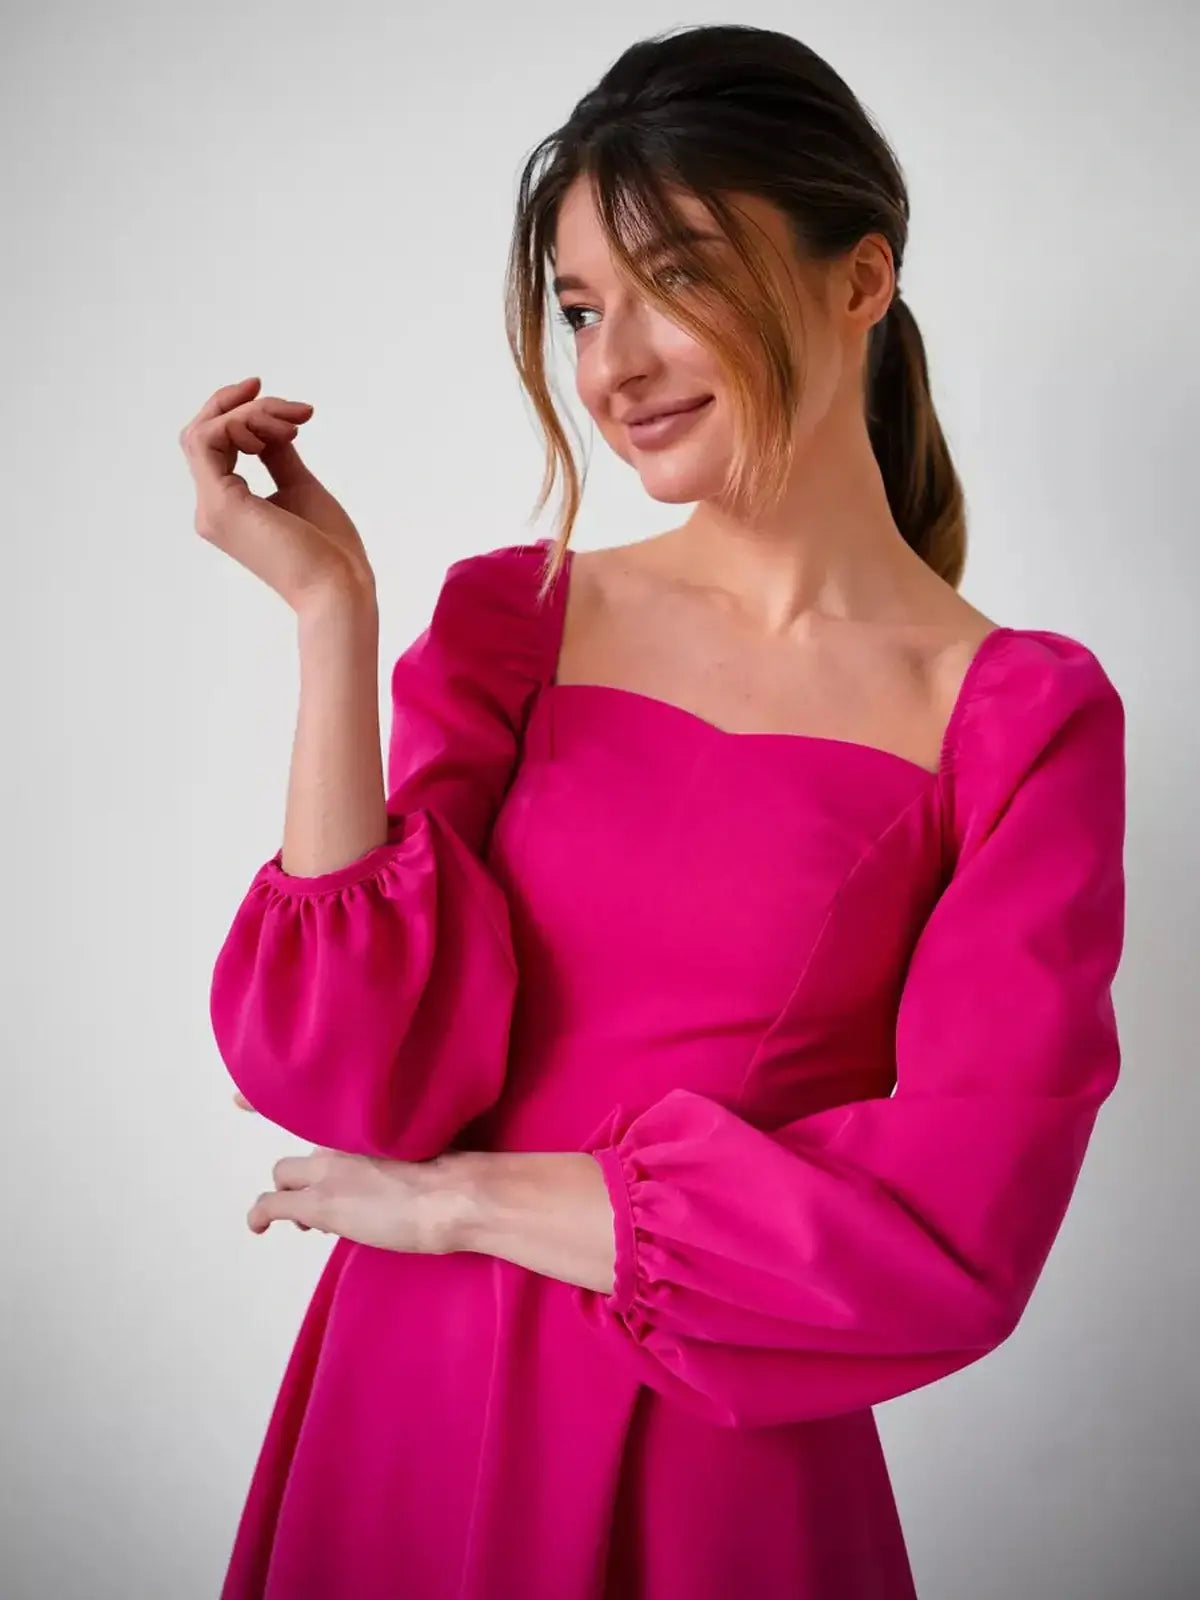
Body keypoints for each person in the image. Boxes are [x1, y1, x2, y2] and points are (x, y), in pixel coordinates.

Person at [184, 23, 1127, 1600]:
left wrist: (463, 1200)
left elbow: (956, 1237)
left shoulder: (1018, 718)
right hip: (402, 1402)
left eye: (675, 279)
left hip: (711, 1450)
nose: (610, 368)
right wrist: (332, 617)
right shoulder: (513, 626)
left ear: (860, 280)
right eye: (578, 309)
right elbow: (348, 1073)